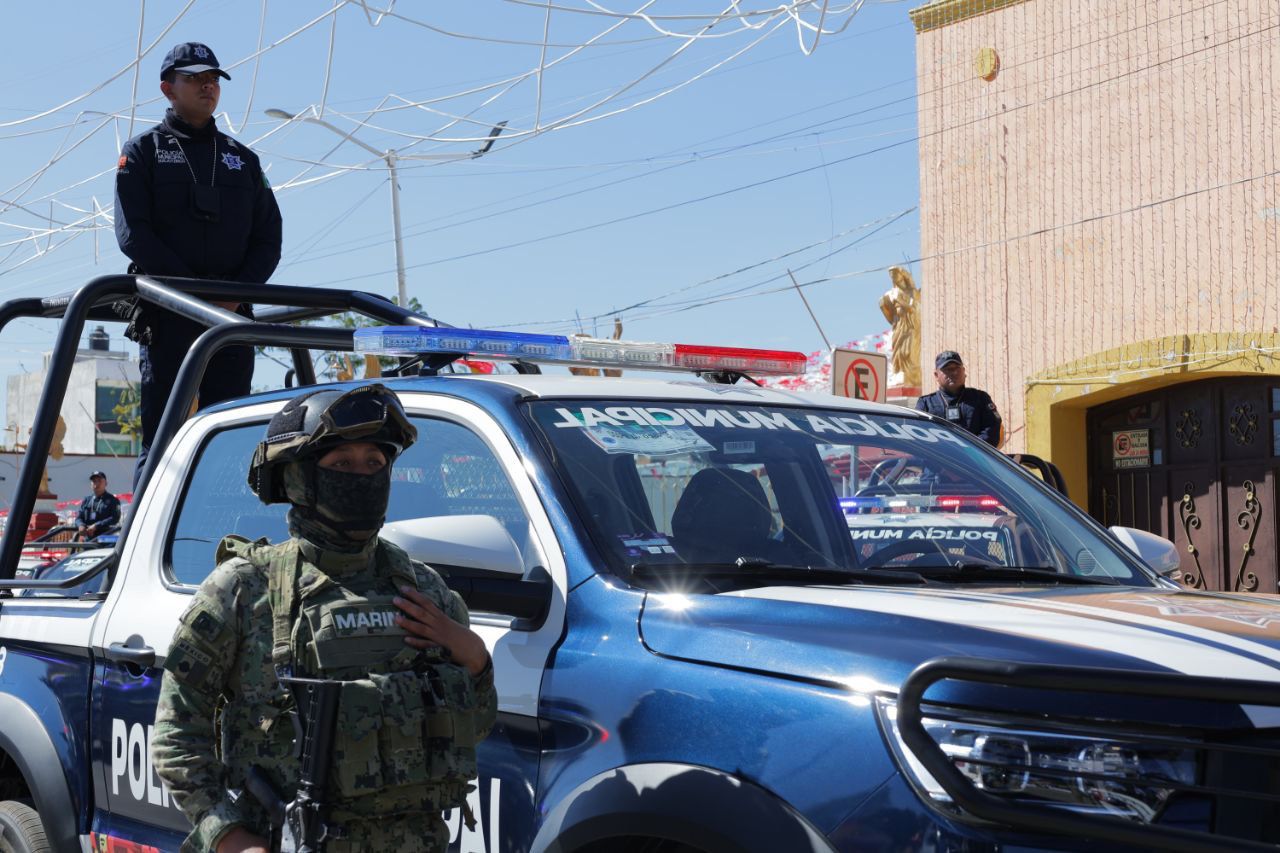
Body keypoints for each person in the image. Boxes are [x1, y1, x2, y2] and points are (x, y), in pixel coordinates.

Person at [152, 385, 496, 853]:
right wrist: (228, 837)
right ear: (298, 478)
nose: (362, 475)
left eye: (374, 461)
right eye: (342, 463)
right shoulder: (244, 589)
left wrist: (476, 661)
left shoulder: (426, 592)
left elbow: (472, 731)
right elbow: (176, 735)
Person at [115, 42, 282, 484]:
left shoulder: (243, 159)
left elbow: (269, 239)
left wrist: (232, 297)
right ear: (168, 89)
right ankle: (144, 525)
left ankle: (221, 523)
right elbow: (133, 236)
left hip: (232, 319)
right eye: (195, 78)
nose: (208, 86)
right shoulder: (142, 152)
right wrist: (192, 296)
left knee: (230, 438)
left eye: (213, 79)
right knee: (164, 440)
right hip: (169, 314)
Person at [915, 351, 1003, 447]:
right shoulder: (926, 403)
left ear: (964, 371)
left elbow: (991, 431)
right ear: (936, 375)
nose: (953, 372)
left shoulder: (981, 398)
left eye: (957, 368)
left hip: (974, 454)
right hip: (938, 455)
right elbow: (919, 435)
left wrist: (970, 449)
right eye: (947, 369)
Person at [75, 471, 121, 540]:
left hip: (106, 539)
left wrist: (97, 525)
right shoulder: (87, 500)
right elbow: (78, 518)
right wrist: (80, 525)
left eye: (99, 481)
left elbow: (115, 518)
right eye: (94, 481)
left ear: (106, 483)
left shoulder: (113, 500)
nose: (96, 483)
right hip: (88, 539)